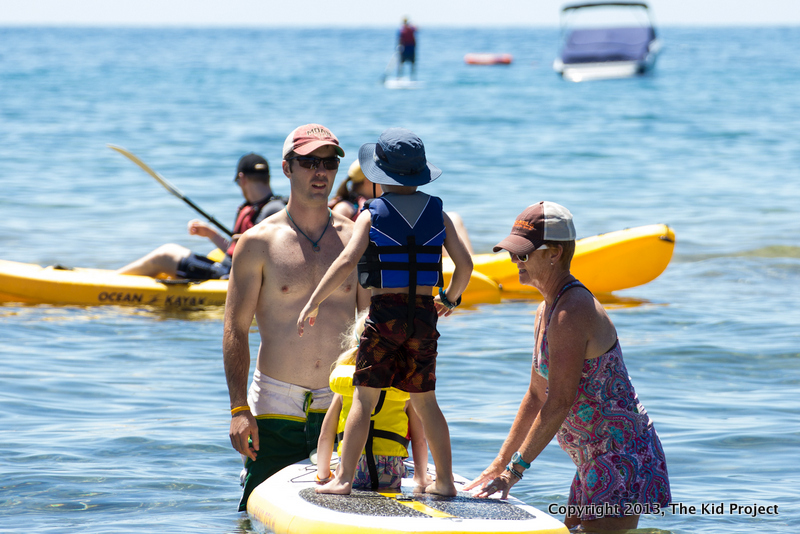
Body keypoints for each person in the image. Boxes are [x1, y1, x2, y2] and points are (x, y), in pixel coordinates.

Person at [464, 201, 671, 530]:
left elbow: (560, 400)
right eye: (513, 252)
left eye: (523, 254)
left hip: (618, 454)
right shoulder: (545, 309)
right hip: (590, 457)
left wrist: (513, 473)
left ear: (554, 254)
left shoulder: (572, 311)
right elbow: (536, 395)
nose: (514, 260)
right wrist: (498, 465)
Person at [297, 127, 473, 496]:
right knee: (425, 401)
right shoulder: (438, 213)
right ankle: (444, 482)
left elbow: (347, 261)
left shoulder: (372, 214)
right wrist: (450, 299)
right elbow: (466, 265)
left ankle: (343, 479)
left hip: (385, 317)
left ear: (380, 175)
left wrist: (314, 300)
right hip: (423, 315)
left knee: (364, 396)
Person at [223, 124, 370, 511]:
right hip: (275, 403)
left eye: (329, 163)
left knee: (348, 514)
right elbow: (235, 328)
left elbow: (370, 322)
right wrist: (238, 409)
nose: (320, 172)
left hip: (342, 401)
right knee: (255, 513)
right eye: (309, 162)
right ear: (287, 168)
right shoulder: (258, 243)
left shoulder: (357, 240)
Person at [117, 153, 286, 280]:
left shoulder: (273, 210)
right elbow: (236, 252)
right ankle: (118, 278)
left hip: (231, 276)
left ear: (242, 179)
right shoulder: (253, 207)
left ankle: (113, 282)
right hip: (230, 269)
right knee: (171, 253)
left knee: (165, 255)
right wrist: (211, 234)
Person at [315, 311, 432, 490]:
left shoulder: (346, 386)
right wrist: (421, 478)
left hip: (352, 472)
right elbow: (419, 440)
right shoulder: (403, 389)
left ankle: (340, 481)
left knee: (341, 469)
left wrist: (323, 475)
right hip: (390, 473)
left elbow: (326, 435)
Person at [330, 160, 474, 255]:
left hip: (403, 255)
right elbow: (335, 244)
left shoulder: (382, 205)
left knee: (453, 218)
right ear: (369, 180)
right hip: (380, 260)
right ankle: (461, 268)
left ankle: (467, 265)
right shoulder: (346, 207)